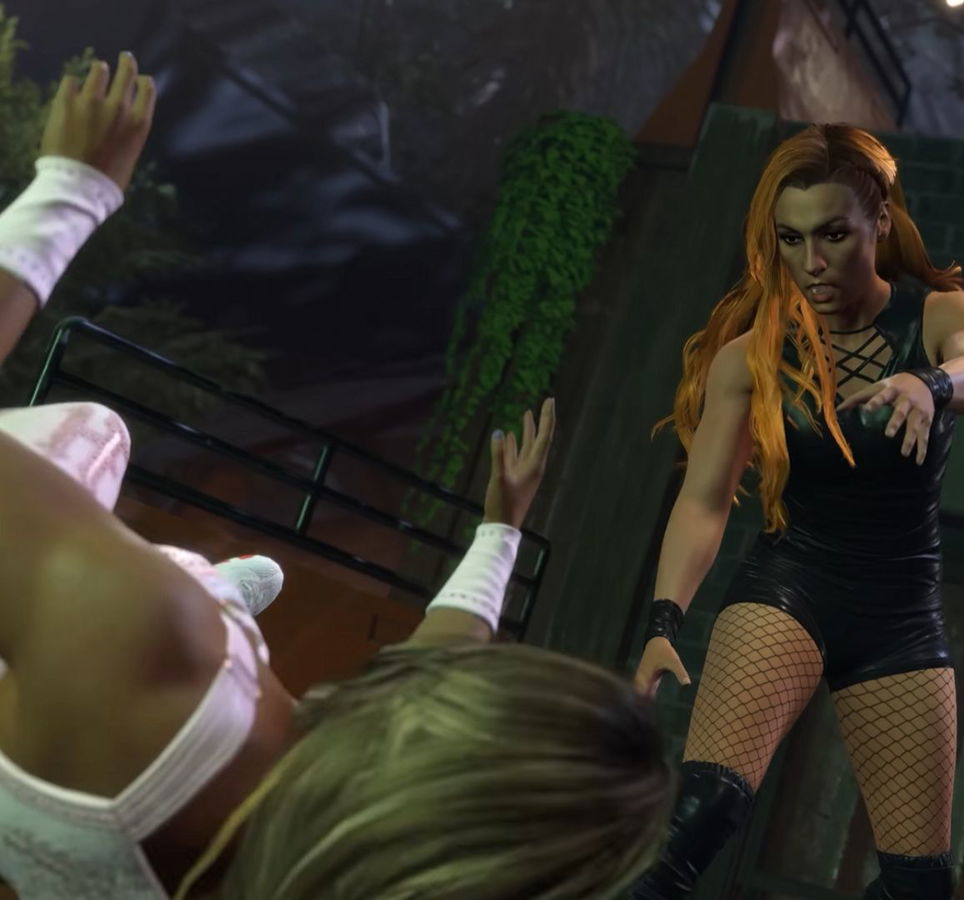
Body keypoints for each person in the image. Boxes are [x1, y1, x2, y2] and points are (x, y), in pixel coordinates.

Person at [0, 52, 674, 899]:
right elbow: (444, 647)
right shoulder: (306, 855)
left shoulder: (158, 640)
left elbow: (435, 670)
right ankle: (222, 586)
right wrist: (500, 530)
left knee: (94, 433)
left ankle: (210, 582)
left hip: (109, 659)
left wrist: (71, 190)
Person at [629, 123, 964, 899]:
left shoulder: (936, 317)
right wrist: (665, 620)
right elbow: (704, 500)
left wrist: (931, 384)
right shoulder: (752, 359)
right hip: (792, 586)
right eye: (792, 239)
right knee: (701, 816)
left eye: (833, 234)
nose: (812, 263)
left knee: (919, 889)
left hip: (900, 612)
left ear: (880, 222)